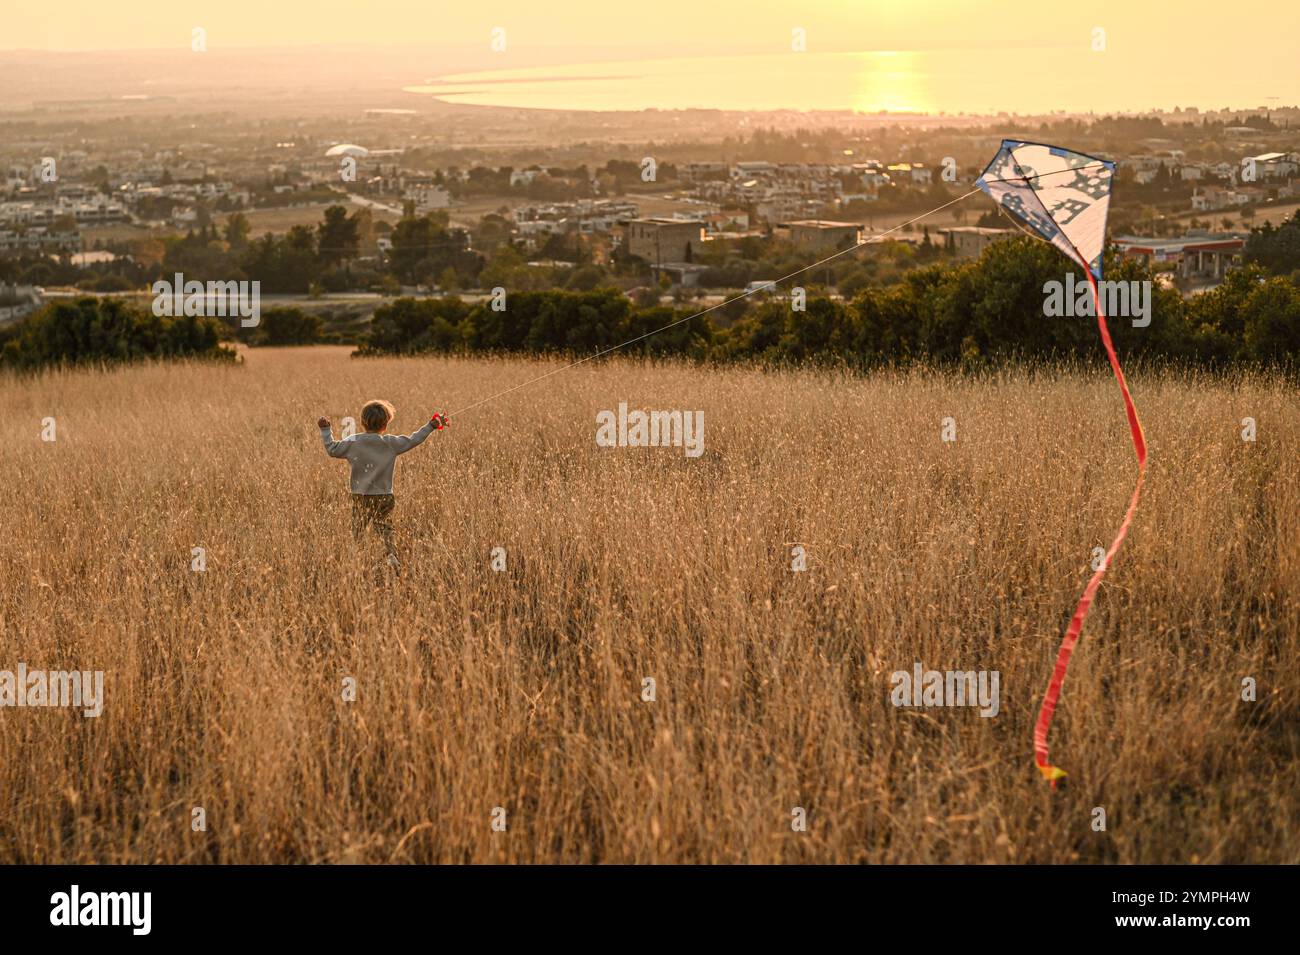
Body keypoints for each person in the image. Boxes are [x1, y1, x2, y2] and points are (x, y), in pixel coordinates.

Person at [318, 399, 447, 569]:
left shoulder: (353, 441)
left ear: (363, 422)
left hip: (360, 496)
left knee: (358, 529)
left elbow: (332, 449)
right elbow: (414, 439)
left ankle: (355, 558)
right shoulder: (390, 443)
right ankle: (390, 555)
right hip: (385, 495)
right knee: (385, 528)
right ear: (386, 424)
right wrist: (430, 426)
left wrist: (326, 430)